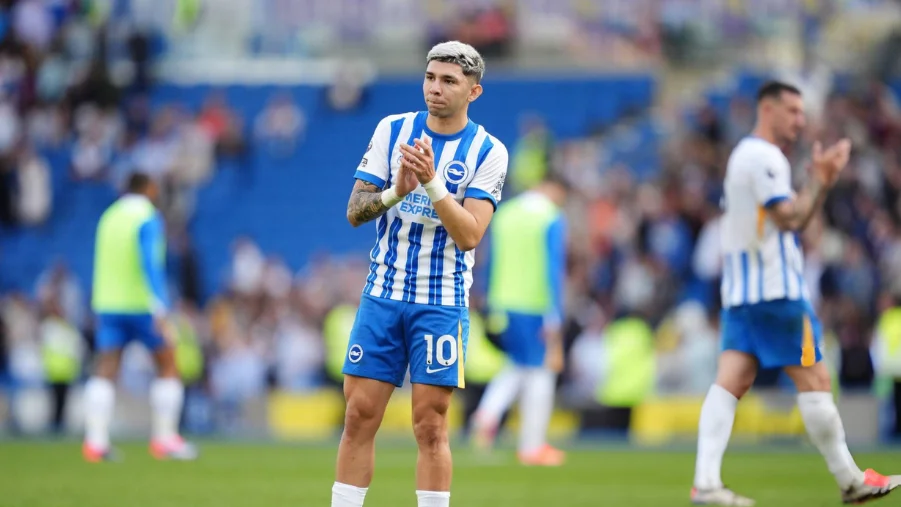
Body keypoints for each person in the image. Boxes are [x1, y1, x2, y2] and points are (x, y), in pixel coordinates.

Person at [690, 81, 899, 506]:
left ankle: (706, 482)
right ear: (767, 110)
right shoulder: (763, 157)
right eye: (793, 111)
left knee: (730, 381)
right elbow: (791, 218)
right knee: (816, 379)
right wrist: (821, 182)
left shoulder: (747, 157)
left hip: (742, 294)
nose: (800, 121)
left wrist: (816, 183)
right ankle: (850, 479)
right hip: (775, 292)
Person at [333, 40, 508, 507]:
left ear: (474, 92)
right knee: (359, 415)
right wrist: (395, 191)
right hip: (382, 294)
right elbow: (354, 211)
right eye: (430, 77)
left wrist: (431, 183)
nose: (435, 88)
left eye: (449, 81)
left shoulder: (488, 151)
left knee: (430, 425)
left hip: (441, 301)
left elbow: (470, 234)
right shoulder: (393, 130)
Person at [82, 172, 197, 462]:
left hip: (107, 304)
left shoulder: (109, 216)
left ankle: (95, 443)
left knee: (106, 368)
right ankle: (165, 439)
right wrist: (160, 307)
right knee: (168, 363)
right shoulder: (147, 216)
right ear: (148, 188)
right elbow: (151, 263)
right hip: (142, 306)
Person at [468, 173, 568, 466]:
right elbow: (554, 268)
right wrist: (556, 315)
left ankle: (487, 413)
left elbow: (490, 259)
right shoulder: (551, 216)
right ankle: (532, 446)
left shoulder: (506, 214)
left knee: (519, 364)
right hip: (535, 305)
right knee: (540, 372)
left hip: (501, 304)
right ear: (552, 187)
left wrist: (486, 298)